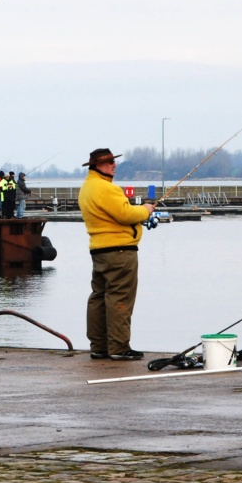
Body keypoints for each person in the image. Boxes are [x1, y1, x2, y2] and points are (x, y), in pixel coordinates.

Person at [78, 148, 155, 362]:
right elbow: (126, 214)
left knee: (99, 297)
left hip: (99, 250)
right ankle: (119, 347)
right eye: (109, 162)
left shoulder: (87, 188)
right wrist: (146, 210)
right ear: (97, 166)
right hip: (120, 252)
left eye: (113, 161)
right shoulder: (106, 189)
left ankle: (99, 346)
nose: (114, 165)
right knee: (119, 298)